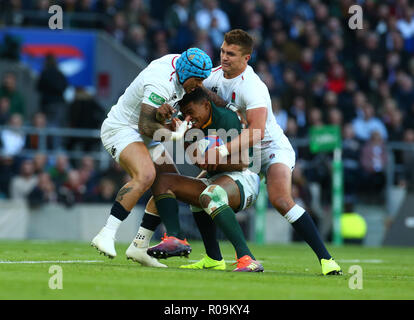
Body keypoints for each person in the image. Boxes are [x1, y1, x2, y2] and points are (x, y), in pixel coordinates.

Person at [175, 29, 341, 275]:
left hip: (269, 149)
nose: (224, 57)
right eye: (222, 51)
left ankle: (327, 260)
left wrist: (219, 152)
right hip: (239, 151)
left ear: (246, 58)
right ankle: (213, 257)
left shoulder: (253, 87)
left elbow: (256, 132)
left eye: (231, 54)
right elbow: (187, 91)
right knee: (199, 194)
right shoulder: (213, 78)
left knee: (281, 200)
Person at [90, 48, 213, 265]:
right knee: (146, 175)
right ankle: (106, 233)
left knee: (168, 183)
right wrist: (174, 136)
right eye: (197, 79)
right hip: (121, 129)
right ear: (185, 73)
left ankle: (140, 246)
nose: (199, 85)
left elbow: (156, 117)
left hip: (145, 133)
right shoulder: (160, 81)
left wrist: (167, 118)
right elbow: (145, 125)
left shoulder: (181, 69)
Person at [130, 88, 263, 272]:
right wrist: (182, 136)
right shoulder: (192, 127)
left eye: (191, 112)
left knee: (210, 194)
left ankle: (248, 259)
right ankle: (178, 239)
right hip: (215, 178)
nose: (188, 118)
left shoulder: (226, 119)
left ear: (206, 105)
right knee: (162, 182)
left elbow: (243, 162)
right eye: (184, 114)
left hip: (244, 178)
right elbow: (198, 162)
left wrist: (215, 158)